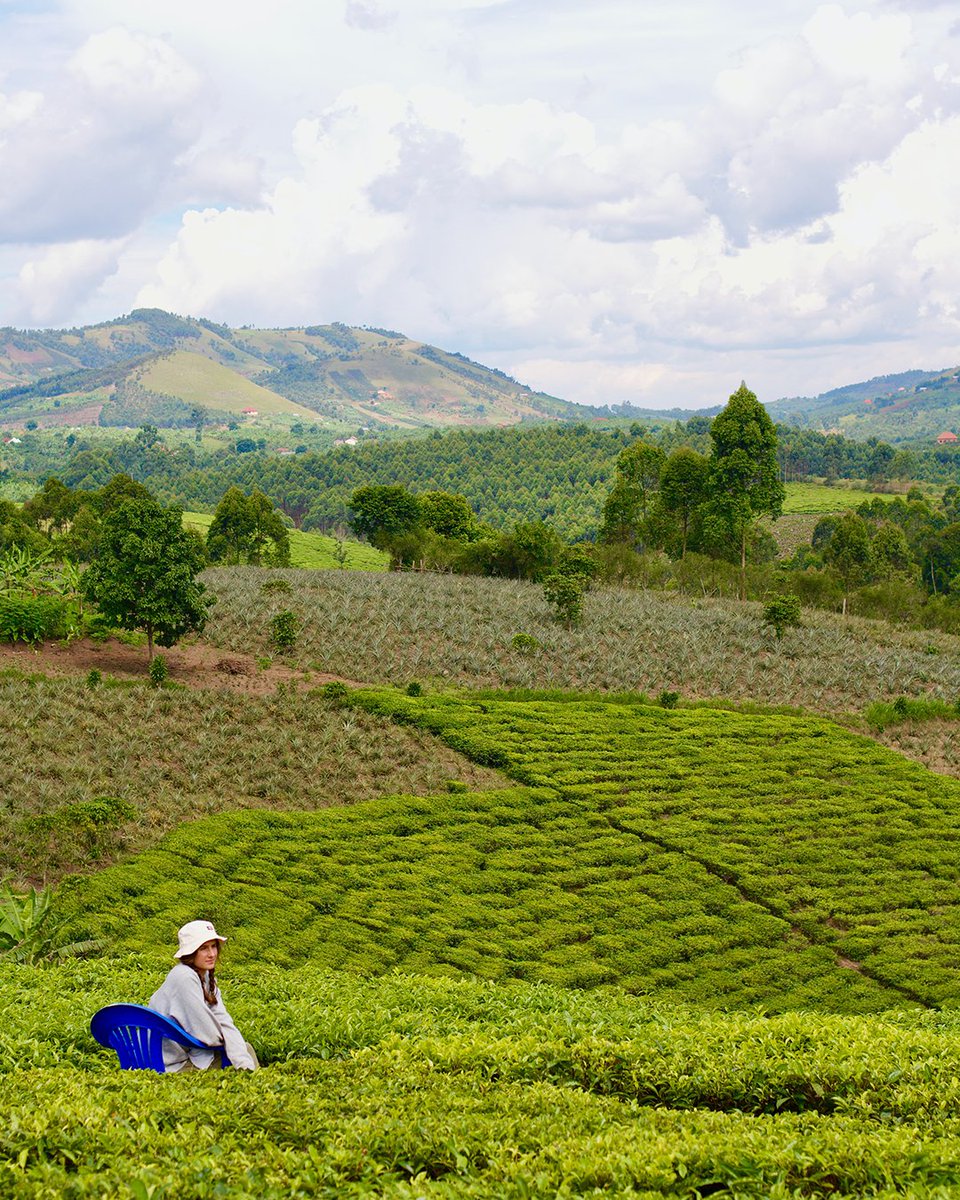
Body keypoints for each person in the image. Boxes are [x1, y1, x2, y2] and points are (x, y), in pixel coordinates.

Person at [149, 919, 259, 1072]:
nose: (212, 954)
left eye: (214, 947)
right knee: (243, 1052)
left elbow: (223, 1020)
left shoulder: (205, 977)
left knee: (244, 1051)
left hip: (180, 1056)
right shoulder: (184, 977)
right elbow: (208, 1033)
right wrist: (234, 1047)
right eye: (204, 949)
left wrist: (240, 1057)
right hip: (171, 1064)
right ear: (191, 952)